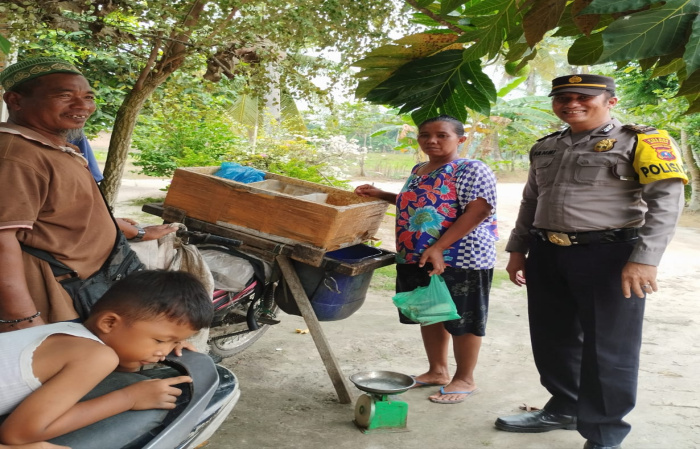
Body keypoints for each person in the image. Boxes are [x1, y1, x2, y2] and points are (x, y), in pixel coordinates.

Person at [494, 75, 687, 449]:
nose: (572, 103)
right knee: (553, 338)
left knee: (609, 348)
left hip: (610, 256)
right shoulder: (546, 147)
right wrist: (518, 250)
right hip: (547, 252)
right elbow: (531, 201)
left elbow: (666, 201)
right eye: (563, 97)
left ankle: (604, 433)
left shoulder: (643, 141)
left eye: (584, 97)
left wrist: (645, 260)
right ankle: (565, 407)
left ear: (610, 101)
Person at [355, 115, 498, 404]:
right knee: (430, 312)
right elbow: (419, 202)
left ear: (460, 139)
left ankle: (465, 379)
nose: (431, 140)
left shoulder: (471, 169)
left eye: (442, 135)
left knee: (463, 317)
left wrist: (440, 247)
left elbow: (479, 211)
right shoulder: (419, 170)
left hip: (461, 256)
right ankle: (437, 371)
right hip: (417, 255)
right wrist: (380, 194)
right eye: (425, 135)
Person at [0, 57, 143, 329]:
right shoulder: (17, 155)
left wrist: (138, 232)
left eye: (88, 97)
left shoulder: (48, 146)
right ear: (15, 101)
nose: (83, 106)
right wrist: (23, 320)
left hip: (90, 286)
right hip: (58, 299)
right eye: (64, 96)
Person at [0, 270, 214, 446]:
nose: (164, 352)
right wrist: (129, 398)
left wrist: (169, 342)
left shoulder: (67, 331)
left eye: (176, 342)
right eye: (160, 341)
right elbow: (17, 434)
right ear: (109, 323)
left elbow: (122, 366)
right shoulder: (97, 356)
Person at [67, 130, 176, 243]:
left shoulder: (72, 140)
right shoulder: (68, 138)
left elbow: (82, 200)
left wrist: (110, 220)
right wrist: (139, 233)